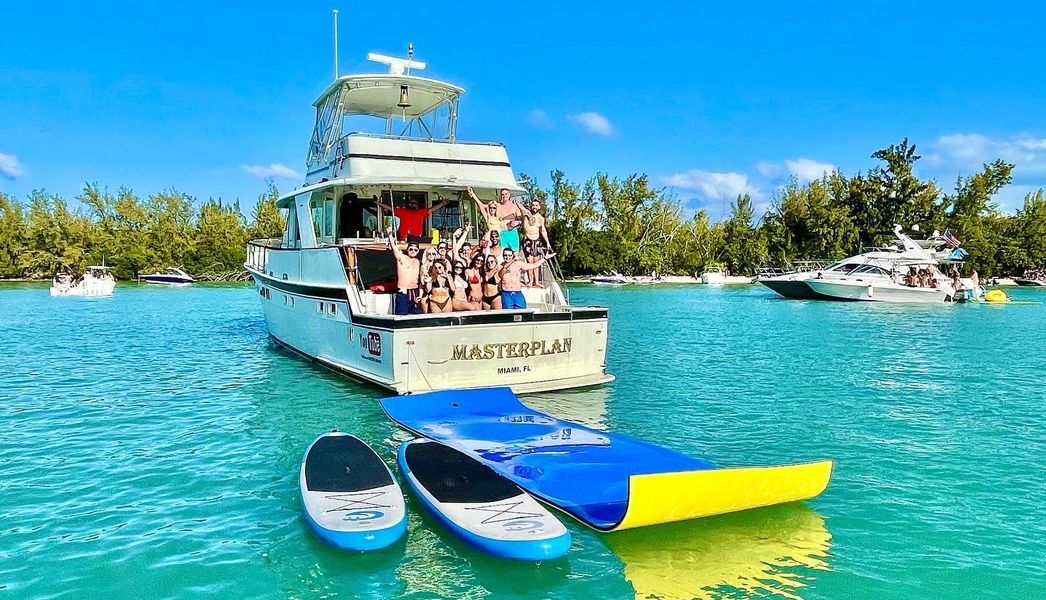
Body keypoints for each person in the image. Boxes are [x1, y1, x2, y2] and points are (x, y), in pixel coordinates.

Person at [377, 194, 449, 241]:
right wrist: (378, 203)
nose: (412, 205)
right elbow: (390, 208)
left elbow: (433, 209)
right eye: (410, 203)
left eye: (414, 203)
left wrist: (442, 204)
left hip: (417, 240)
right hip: (403, 240)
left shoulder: (421, 212)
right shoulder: (402, 211)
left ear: (417, 205)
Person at [386, 227, 422, 315]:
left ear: (418, 251)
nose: (413, 251)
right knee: (402, 316)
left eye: (415, 250)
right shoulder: (402, 258)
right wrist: (390, 235)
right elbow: (394, 248)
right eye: (411, 249)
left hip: (415, 292)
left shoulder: (418, 262)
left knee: (415, 318)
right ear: (407, 250)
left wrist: (420, 294)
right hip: (403, 292)